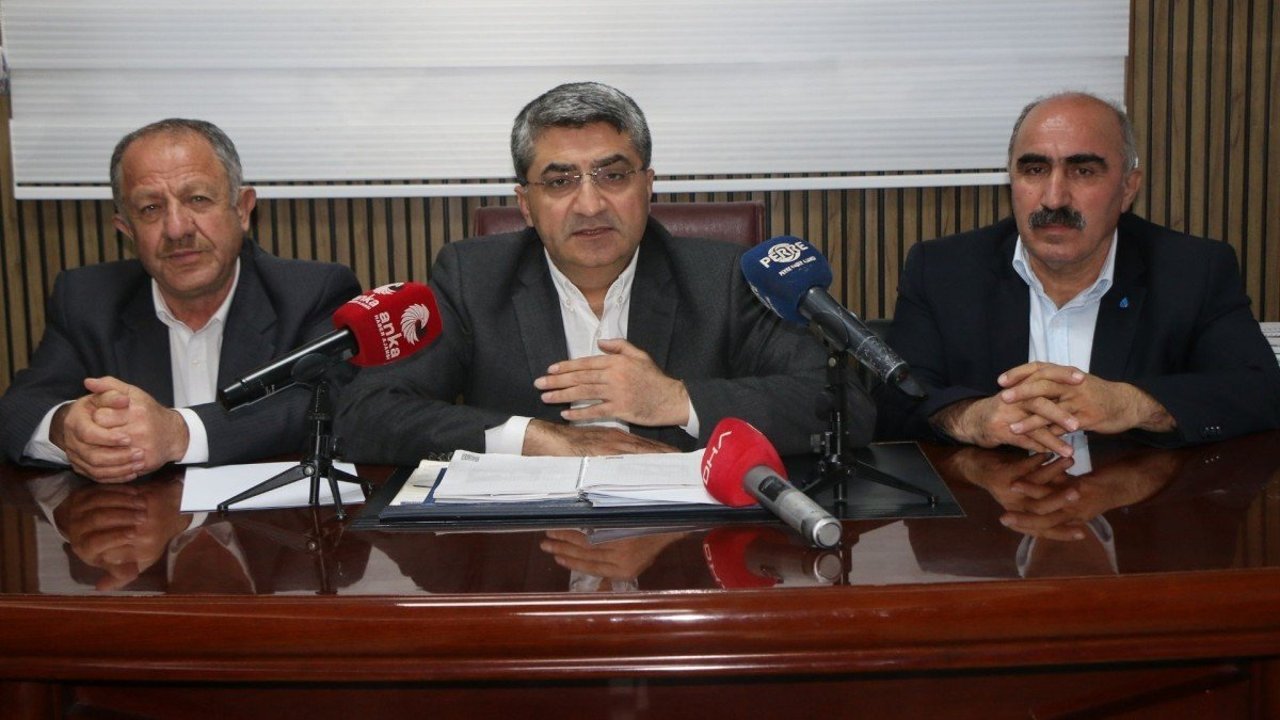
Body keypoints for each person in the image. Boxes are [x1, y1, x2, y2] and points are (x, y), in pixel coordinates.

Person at [336, 82, 866, 464]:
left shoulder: (723, 278)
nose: (590, 205)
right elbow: (366, 414)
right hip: (527, 553)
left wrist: (675, 400)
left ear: (648, 186)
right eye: (559, 181)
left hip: (685, 549)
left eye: (612, 175)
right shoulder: (472, 279)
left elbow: (847, 408)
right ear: (525, 204)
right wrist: (531, 438)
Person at [877, 91, 1280, 454]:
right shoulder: (944, 270)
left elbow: (1260, 391)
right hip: (992, 506)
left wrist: (1133, 404)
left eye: (1083, 171)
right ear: (1012, 179)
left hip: (1135, 508)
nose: (1054, 198)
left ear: (1128, 188)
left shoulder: (1192, 271)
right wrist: (971, 418)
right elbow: (895, 403)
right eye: (1035, 170)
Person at [0, 119, 362, 482]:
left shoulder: (311, 292)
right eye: (150, 209)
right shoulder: (87, 299)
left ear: (242, 209)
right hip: (136, 516)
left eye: (197, 199)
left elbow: (329, 403)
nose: (177, 229)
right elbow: (19, 409)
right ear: (127, 229)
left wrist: (178, 433)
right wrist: (66, 428)